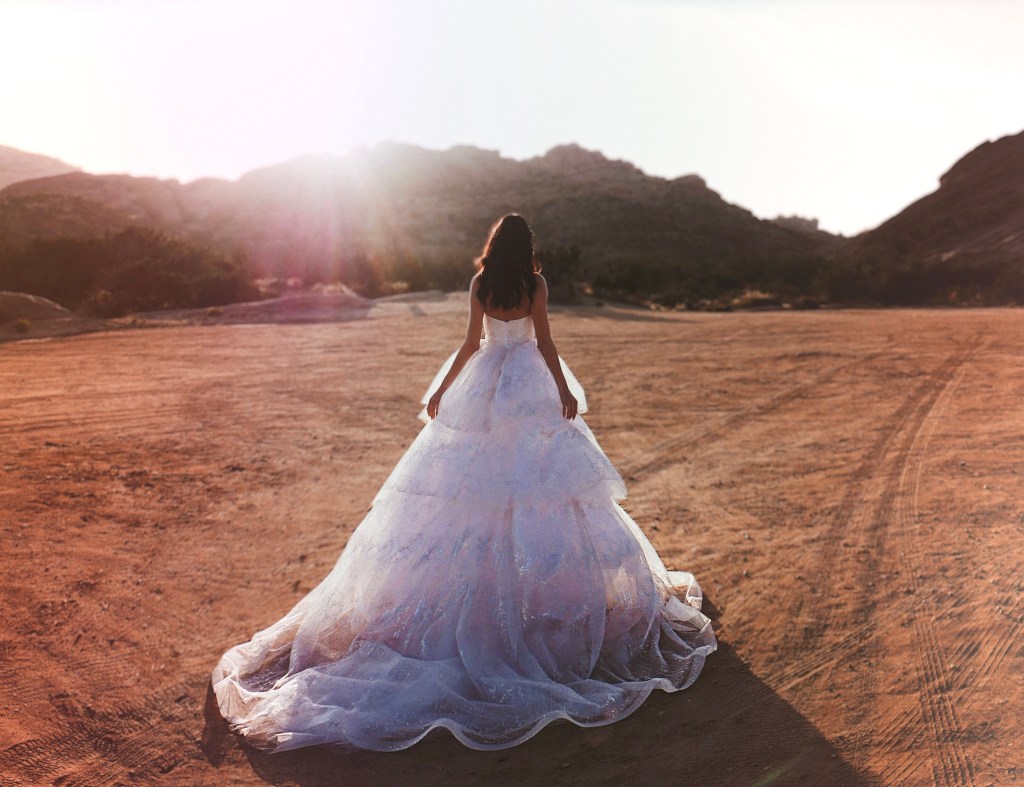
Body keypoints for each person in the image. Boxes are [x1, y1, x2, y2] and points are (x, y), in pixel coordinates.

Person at [211, 214, 716, 752]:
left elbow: (470, 344)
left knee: (473, 492)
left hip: (484, 382)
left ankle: (491, 604)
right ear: (527, 250)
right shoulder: (535, 284)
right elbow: (544, 341)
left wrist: (444, 392)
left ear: (493, 248)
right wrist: (563, 391)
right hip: (525, 382)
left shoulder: (481, 284)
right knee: (535, 489)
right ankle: (533, 611)